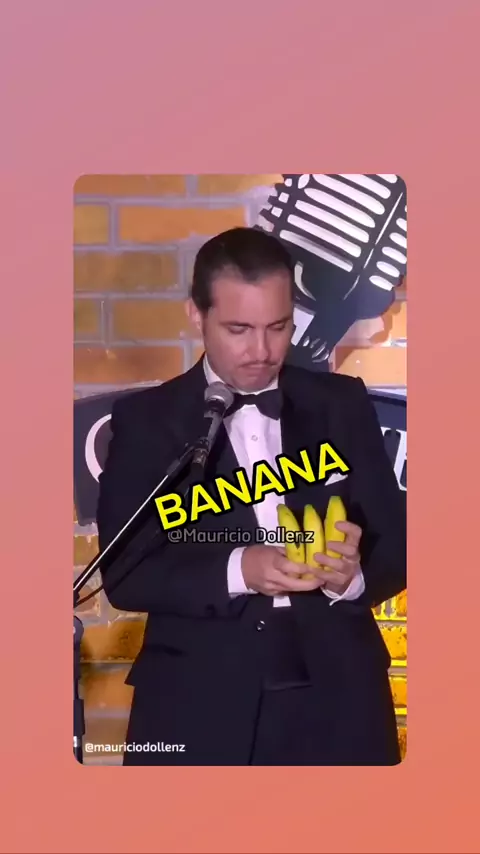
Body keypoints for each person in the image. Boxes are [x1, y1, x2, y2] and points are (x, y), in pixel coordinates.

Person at [96, 226, 406, 766]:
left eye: (278, 327)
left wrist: (352, 576)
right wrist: (243, 568)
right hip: (198, 701)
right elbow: (126, 575)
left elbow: (397, 546)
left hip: (340, 698)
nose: (262, 351)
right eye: (238, 329)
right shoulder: (146, 422)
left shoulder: (342, 404)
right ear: (197, 315)